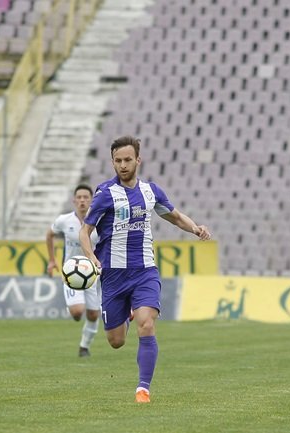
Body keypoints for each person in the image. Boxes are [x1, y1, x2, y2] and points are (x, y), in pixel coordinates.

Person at [79, 136, 211, 404]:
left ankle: (143, 389)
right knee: (116, 341)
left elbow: (175, 216)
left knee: (147, 324)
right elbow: (85, 231)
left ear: (138, 160)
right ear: (112, 162)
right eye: (118, 161)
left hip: (144, 272)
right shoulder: (105, 194)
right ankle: (128, 314)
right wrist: (91, 256)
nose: (123, 165)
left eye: (128, 160)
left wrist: (195, 228)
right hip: (113, 275)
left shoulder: (151, 191)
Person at [46, 184, 100, 357]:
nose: (82, 200)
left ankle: (84, 347)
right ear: (74, 200)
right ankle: (74, 309)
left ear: (91, 200)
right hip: (71, 274)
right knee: (77, 313)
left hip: (93, 274)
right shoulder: (64, 220)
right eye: (79, 197)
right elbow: (49, 234)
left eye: (86, 197)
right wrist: (52, 260)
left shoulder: (99, 221)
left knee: (93, 314)